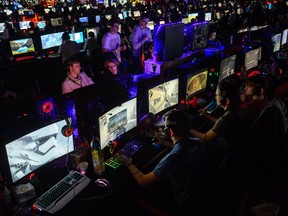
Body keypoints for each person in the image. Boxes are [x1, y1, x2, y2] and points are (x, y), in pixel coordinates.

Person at [116, 109, 211, 215]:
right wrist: (166, 143)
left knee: (134, 194)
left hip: (183, 201)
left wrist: (128, 163)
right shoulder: (198, 142)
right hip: (199, 193)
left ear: (170, 131)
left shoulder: (173, 158)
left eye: (165, 127)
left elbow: (143, 181)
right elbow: (183, 149)